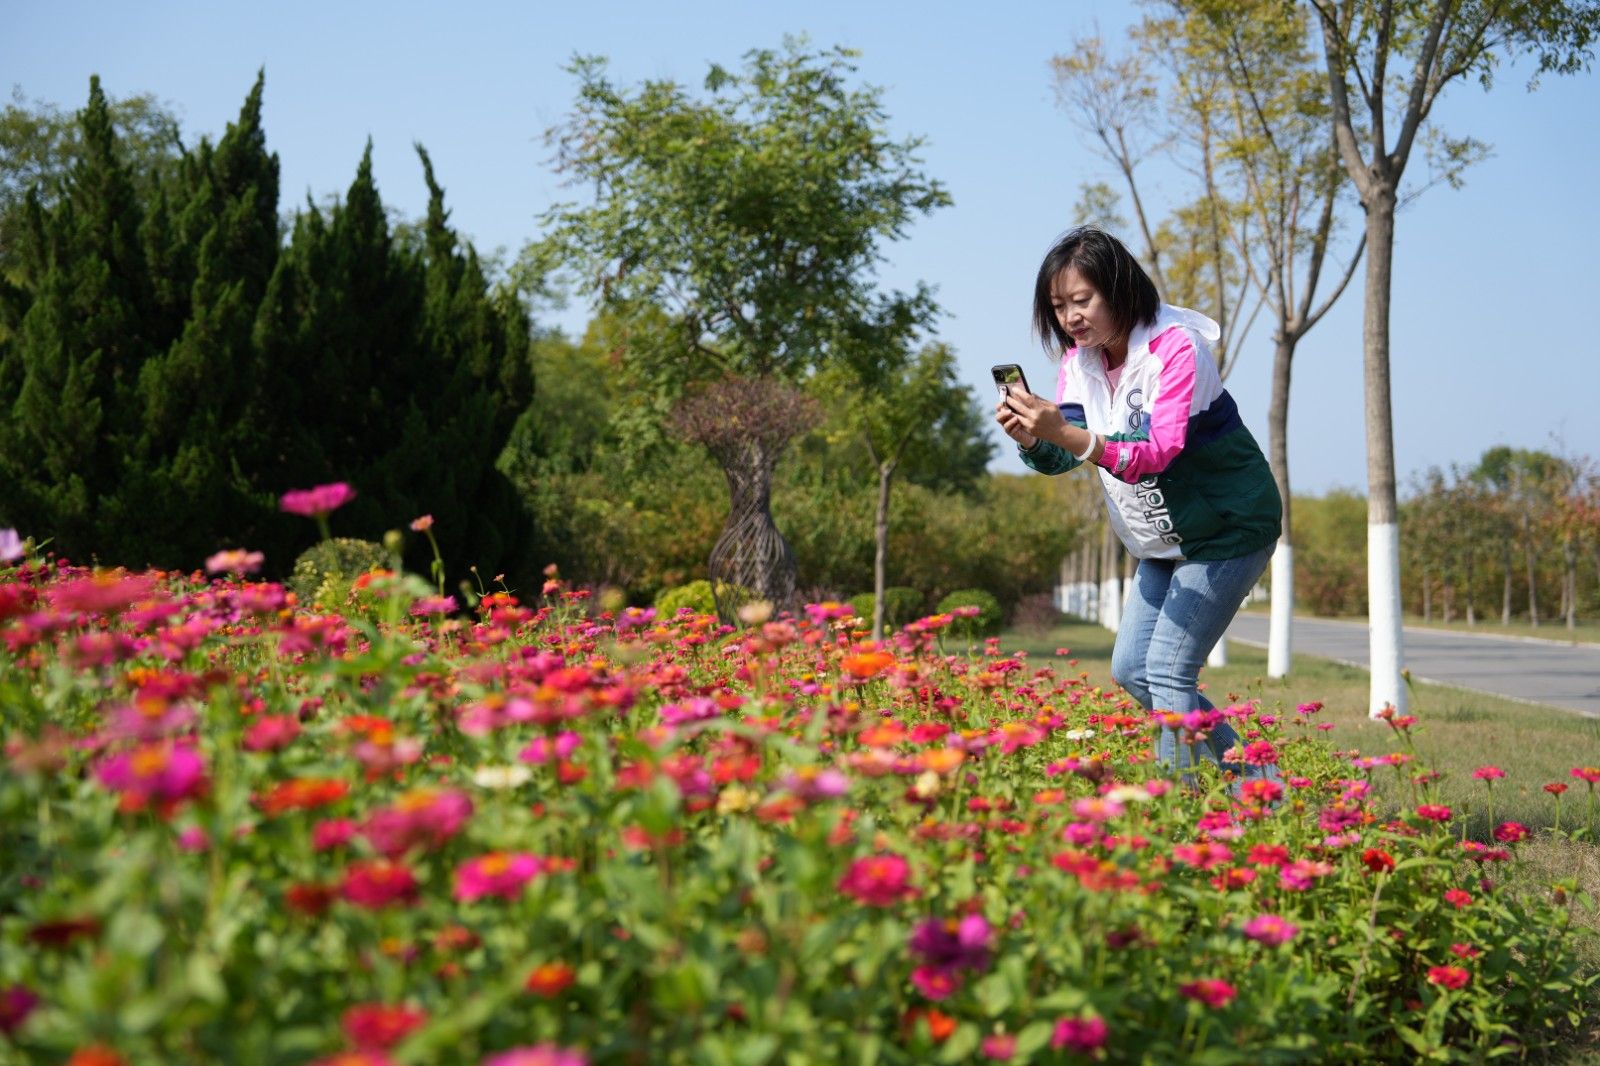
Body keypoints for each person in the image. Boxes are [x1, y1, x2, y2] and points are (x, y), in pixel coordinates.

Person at [995, 226, 1282, 780]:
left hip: (1226, 528)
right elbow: (1069, 452)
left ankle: (1179, 809)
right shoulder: (1080, 361)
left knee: (1170, 669)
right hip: (1162, 537)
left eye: (1083, 300)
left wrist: (1066, 433)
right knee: (1133, 670)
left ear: (1121, 289)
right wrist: (1032, 435)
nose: (1071, 318)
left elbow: (1158, 452)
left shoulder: (1176, 348)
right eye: (1058, 307)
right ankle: (1259, 782)